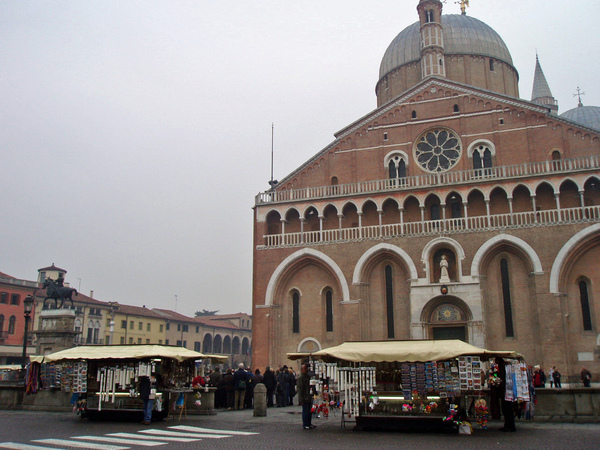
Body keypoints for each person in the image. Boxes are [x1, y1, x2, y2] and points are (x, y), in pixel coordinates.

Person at [296, 363, 315, 430]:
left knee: (309, 411)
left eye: (307, 368)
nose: (307, 370)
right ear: (302, 370)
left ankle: (309, 423)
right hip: (305, 397)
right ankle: (305, 424)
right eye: (305, 369)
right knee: (305, 411)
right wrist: (301, 399)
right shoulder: (301, 378)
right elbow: (300, 389)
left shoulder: (307, 376)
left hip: (309, 396)